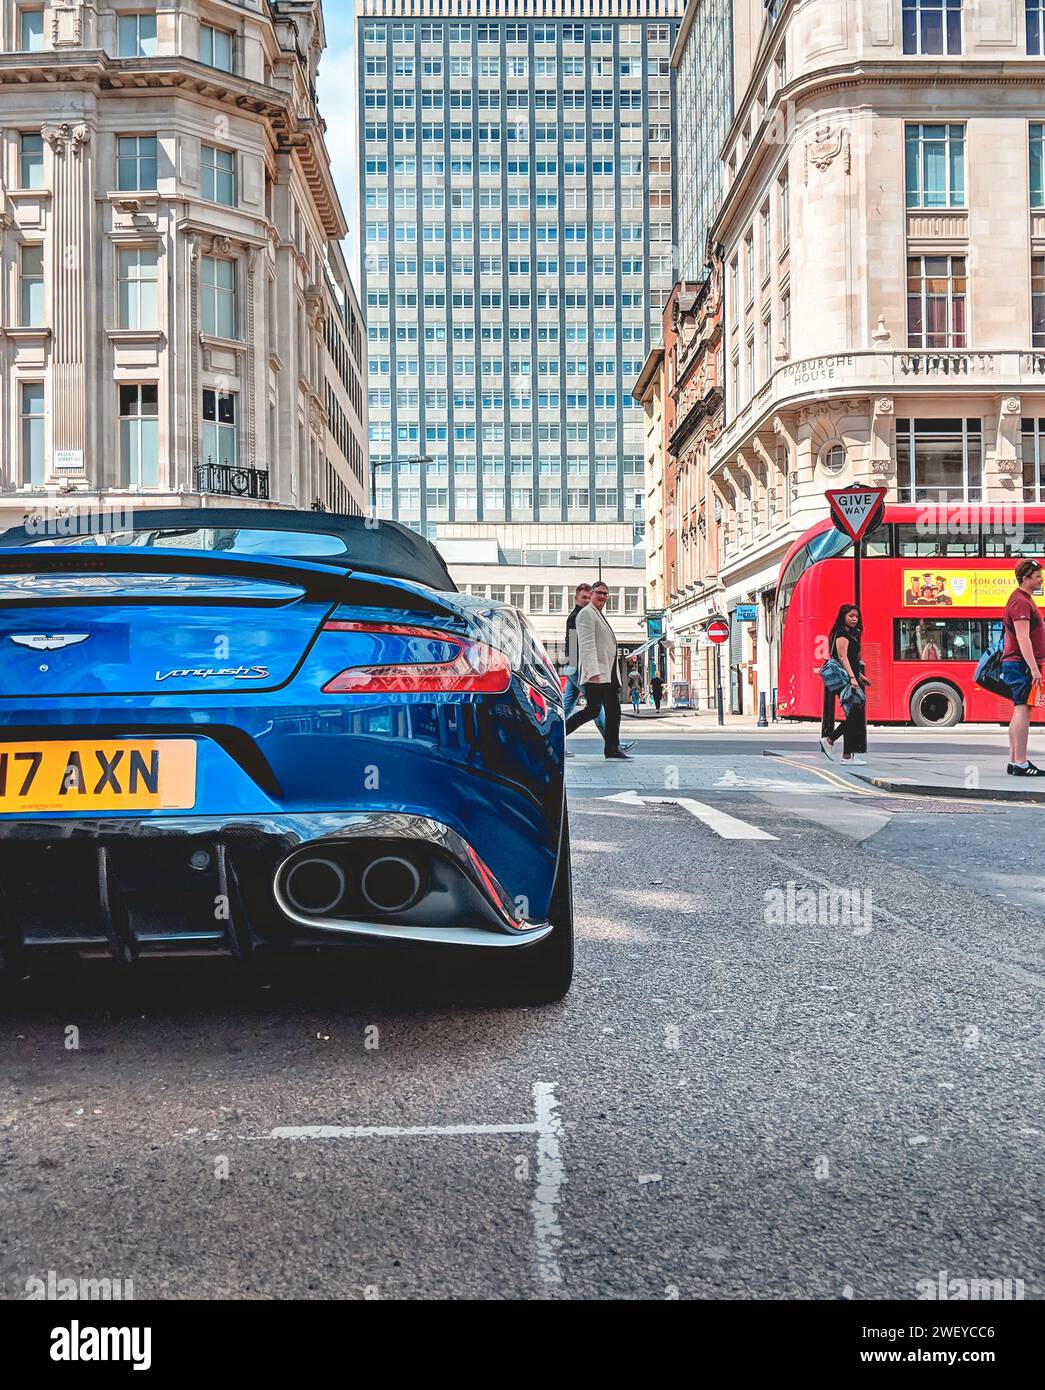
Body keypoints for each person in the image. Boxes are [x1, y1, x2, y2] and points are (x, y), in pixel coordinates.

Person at [565, 580, 630, 759]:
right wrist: (591, 671)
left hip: (605, 672)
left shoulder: (596, 613)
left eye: (605, 593)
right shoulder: (584, 615)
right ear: (591, 595)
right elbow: (584, 645)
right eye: (598, 593)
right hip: (595, 672)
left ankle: (612, 749)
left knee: (607, 710)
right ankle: (557, 735)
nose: (602, 596)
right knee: (594, 710)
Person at [999, 557, 1045, 776]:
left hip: (1019, 663)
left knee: (1020, 709)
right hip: (1021, 664)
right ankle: (1020, 762)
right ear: (1026, 578)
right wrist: (1034, 669)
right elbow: (1023, 637)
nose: (1041, 581)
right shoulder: (1020, 602)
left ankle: (1013, 760)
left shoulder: (1022, 599)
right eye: (1037, 577)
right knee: (1022, 710)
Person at [819, 604, 869, 764]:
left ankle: (846, 755)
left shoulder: (852, 634)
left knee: (853, 715)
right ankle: (831, 740)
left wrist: (860, 676)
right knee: (854, 715)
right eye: (851, 616)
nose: (854, 619)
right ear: (843, 617)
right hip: (845, 679)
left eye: (856, 616)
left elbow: (852, 660)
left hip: (851, 677)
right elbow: (842, 657)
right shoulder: (842, 634)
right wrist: (853, 678)